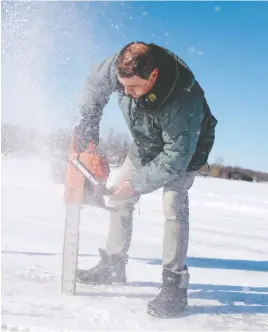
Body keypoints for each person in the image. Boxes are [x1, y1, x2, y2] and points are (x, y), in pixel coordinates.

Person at [73, 41, 218, 317]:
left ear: (153, 76)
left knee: (173, 205)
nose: (126, 92)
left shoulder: (183, 98)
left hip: (187, 149)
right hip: (145, 142)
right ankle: (113, 265)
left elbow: (175, 157)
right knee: (118, 197)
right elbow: (94, 84)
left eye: (134, 88)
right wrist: (89, 124)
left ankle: (175, 285)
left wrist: (136, 185)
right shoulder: (122, 65)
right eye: (122, 85)